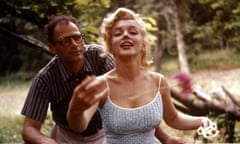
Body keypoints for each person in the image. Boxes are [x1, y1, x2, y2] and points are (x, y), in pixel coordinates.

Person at [21, 13, 184, 144]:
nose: (74, 44)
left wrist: (165, 138)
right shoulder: (45, 78)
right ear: (52, 48)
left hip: (102, 134)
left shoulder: (101, 57)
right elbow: (29, 128)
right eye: (65, 41)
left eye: (77, 37)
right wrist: (47, 142)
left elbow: (133, 104)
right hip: (66, 137)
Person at [67, 8, 211, 144]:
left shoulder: (158, 81)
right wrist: (75, 110)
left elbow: (173, 118)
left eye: (133, 32)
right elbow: (79, 125)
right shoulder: (101, 84)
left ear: (143, 43)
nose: (125, 35)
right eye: (117, 34)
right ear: (110, 45)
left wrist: (201, 120)